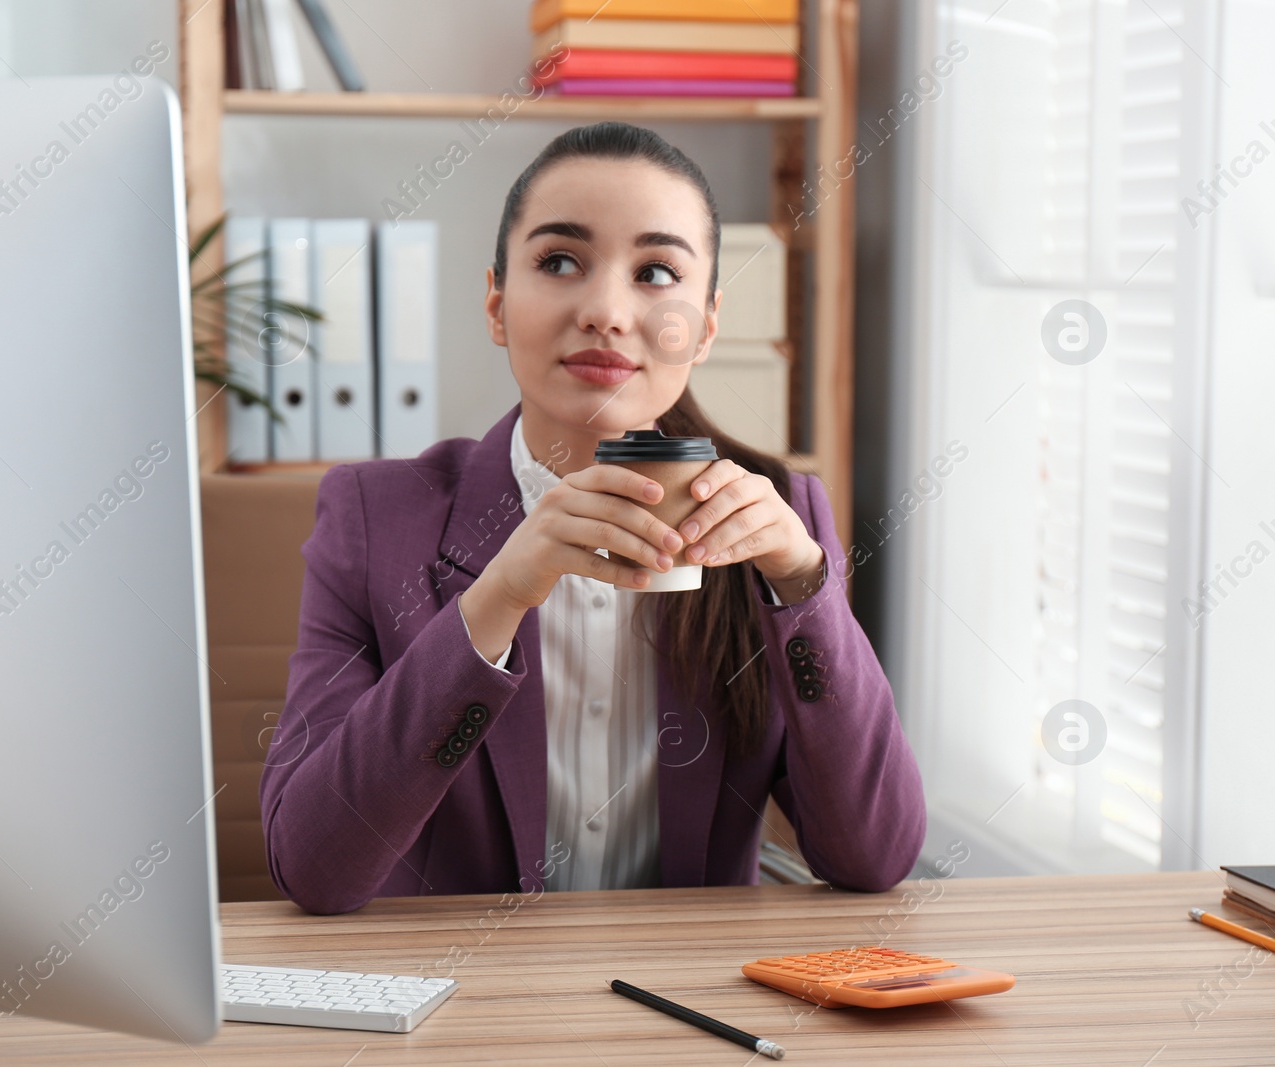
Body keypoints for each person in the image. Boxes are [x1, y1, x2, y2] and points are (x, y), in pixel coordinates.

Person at [259, 121, 924, 915]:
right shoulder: (373, 517)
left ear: (706, 328)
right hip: (461, 1013)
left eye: (654, 271)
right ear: (499, 307)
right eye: (561, 261)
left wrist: (800, 584)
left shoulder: (782, 514)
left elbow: (874, 854)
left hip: (686, 1011)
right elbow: (311, 865)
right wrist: (497, 597)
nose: (607, 310)